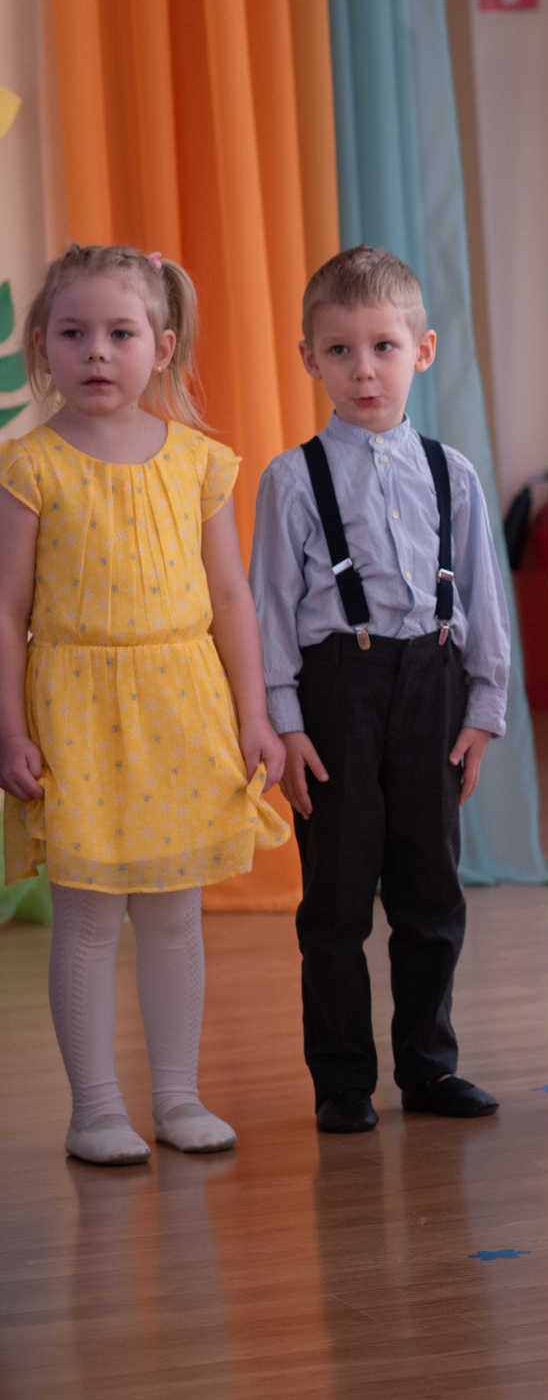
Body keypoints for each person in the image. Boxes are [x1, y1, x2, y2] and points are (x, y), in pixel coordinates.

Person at [0, 244, 291, 1165]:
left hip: (181, 705)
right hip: (76, 711)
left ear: (162, 348)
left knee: (172, 914)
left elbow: (233, 599)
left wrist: (254, 714)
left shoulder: (199, 463)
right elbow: (6, 610)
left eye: (119, 333)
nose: (96, 351)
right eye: (73, 332)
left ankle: (176, 1095)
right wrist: (9, 729)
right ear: (42, 347)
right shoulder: (28, 465)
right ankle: (94, 1109)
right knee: (89, 917)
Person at [253, 246, 514, 1135]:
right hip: (337, 693)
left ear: (422, 351)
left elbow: (483, 597)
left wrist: (483, 709)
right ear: (309, 358)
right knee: (335, 897)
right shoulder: (292, 479)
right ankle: (341, 1080)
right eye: (340, 350)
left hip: (432, 686)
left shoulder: (454, 473)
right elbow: (270, 609)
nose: (363, 370)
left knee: (430, 889)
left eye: (383, 347)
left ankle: (430, 1066)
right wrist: (285, 722)